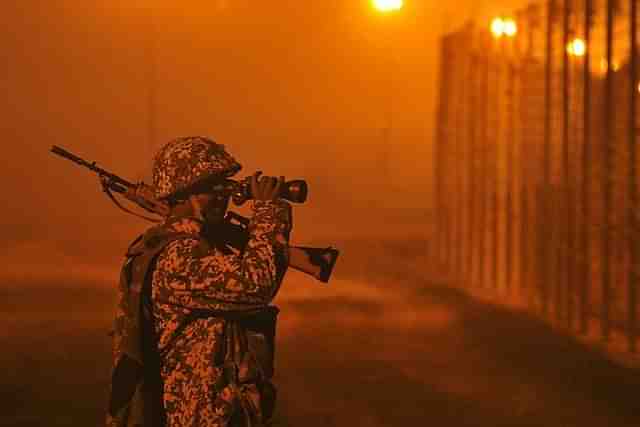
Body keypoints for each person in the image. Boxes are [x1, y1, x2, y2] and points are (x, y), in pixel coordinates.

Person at [107, 136, 292, 427]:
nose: (222, 195)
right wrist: (268, 212)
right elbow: (257, 285)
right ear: (180, 194)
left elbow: (258, 281)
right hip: (193, 416)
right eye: (209, 187)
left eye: (225, 185)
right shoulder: (179, 254)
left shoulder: (199, 245)